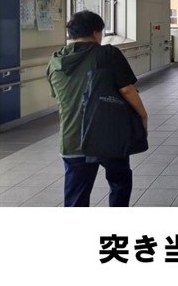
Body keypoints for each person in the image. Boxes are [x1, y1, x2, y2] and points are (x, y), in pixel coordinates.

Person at [46, 10, 148, 207]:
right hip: (108, 136)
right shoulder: (108, 54)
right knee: (120, 183)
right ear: (96, 32)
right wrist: (143, 115)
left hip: (71, 139)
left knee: (76, 199)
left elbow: (61, 97)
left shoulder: (56, 61)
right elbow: (127, 90)